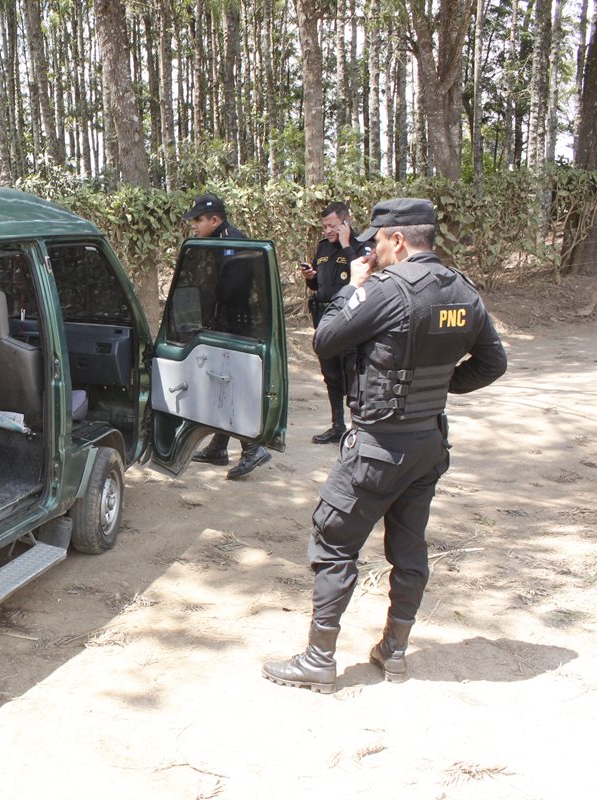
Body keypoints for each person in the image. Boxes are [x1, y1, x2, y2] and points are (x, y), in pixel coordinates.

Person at [262, 198, 507, 693]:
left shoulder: (387, 291)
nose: (371, 249)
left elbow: (326, 338)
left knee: (334, 542)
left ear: (398, 240)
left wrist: (353, 285)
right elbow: (492, 363)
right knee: (410, 548)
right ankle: (394, 651)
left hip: (378, 447)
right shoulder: (463, 290)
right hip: (427, 444)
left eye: (377, 241)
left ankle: (318, 660)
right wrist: (435, 388)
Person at [182, 193, 272, 480]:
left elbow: (231, 290)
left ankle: (252, 448)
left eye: (198, 220)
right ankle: (219, 446)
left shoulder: (233, 241)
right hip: (223, 323)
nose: (194, 225)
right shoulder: (218, 241)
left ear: (215, 220)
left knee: (230, 385)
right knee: (219, 383)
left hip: (235, 325)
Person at [300, 202, 366, 444]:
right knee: (330, 374)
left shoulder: (361, 246)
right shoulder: (323, 248)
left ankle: (358, 428)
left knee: (353, 374)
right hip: (324, 318)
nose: (327, 231)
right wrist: (311, 279)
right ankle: (337, 425)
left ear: (346, 223)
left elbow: (362, 276)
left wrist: (347, 245)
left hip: (349, 319)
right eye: (324, 226)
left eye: (333, 226)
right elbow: (319, 286)